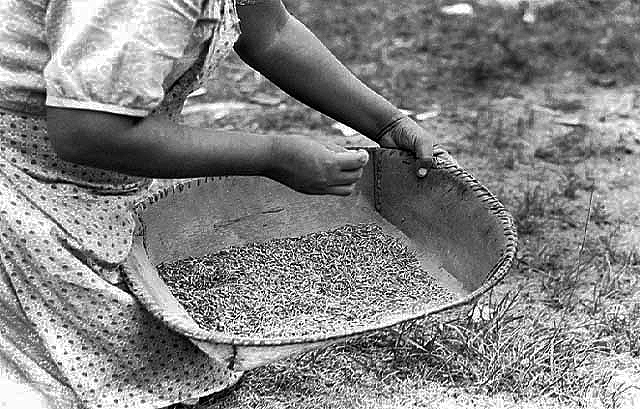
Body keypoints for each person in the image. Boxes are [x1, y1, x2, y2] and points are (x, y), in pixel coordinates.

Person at [0, 0, 444, 408]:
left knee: (157, 352)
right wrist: (272, 156)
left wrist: (387, 123)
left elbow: (270, 31)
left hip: (97, 182)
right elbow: (88, 130)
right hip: (19, 173)